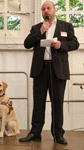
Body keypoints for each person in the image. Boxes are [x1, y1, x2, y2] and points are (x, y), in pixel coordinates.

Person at [19, 1, 79, 145]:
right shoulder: (36, 27)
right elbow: (27, 44)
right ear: (42, 12)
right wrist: (40, 32)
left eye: (48, 8)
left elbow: (75, 43)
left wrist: (62, 45)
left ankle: (58, 133)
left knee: (57, 103)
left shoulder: (66, 26)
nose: (46, 11)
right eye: (43, 9)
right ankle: (35, 132)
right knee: (38, 103)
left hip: (58, 70)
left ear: (54, 10)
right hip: (40, 69)